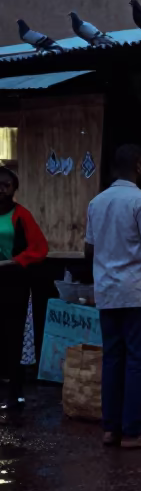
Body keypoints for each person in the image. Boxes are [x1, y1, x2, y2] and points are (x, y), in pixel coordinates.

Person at [85, 145, 141, 448]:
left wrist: (107, 267)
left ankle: (110, 430)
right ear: (137, 166)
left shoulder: (96, 202)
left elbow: (89, 249)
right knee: (139, 361)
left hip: (108, 293)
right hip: (138, 293)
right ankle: (133, 432)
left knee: (113, 359)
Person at [0, 165, 48, 411]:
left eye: (6, 185)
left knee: (13, 335)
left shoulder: (22, 215)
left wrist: (15, 262)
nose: (1, 190)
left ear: (14, 189)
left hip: (13, 283)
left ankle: (15, 391)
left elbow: (40, 248)